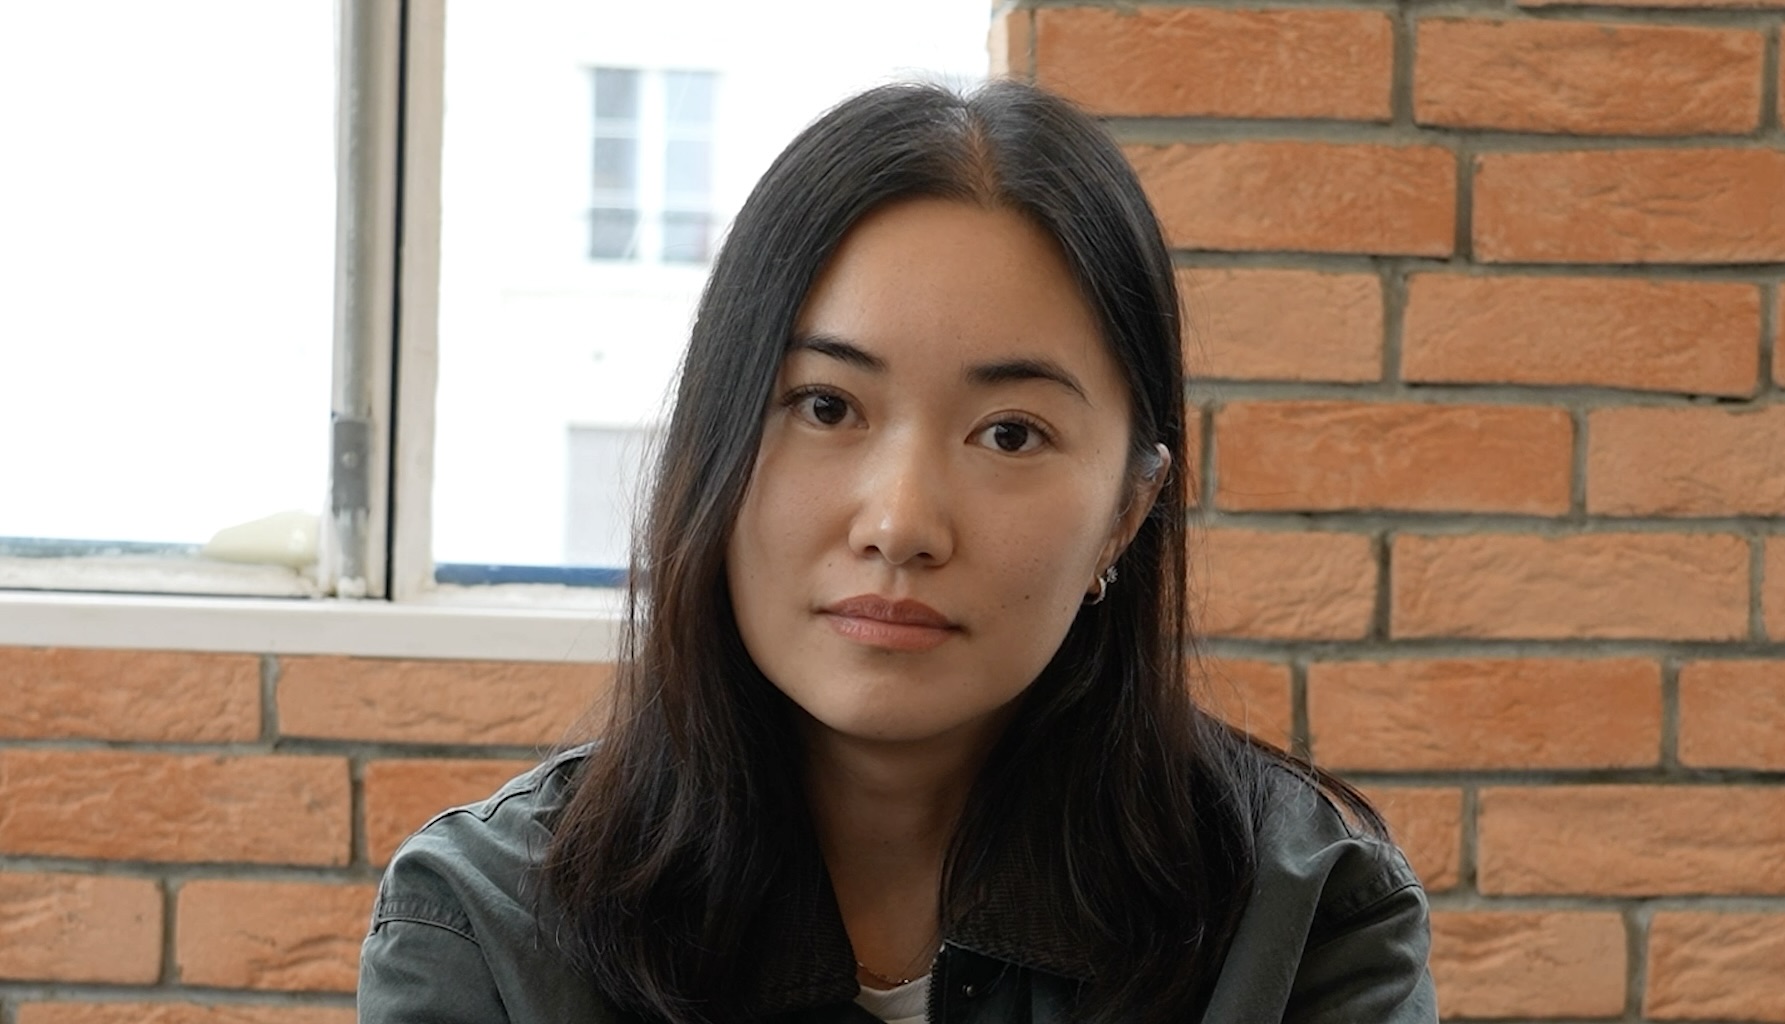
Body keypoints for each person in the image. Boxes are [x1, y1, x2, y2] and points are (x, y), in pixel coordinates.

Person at [357, 80, 1436, 1024]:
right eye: (826, 406)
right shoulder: (488, 928)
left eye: (1010, 434)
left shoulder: (1301, 922)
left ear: (1127, 507)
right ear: (712, 444)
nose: (901, 523)